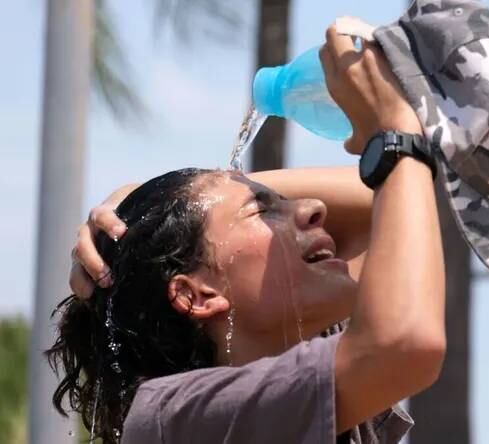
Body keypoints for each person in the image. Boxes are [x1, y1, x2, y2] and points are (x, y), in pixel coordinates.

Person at [50, 26, 445, 444]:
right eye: (263, 210)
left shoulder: (308, 365)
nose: (315, 208)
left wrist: (174, 196)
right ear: (195, 294)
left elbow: (395, 200)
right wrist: (396, 132)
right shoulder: (174, 419)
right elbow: (405, 340)